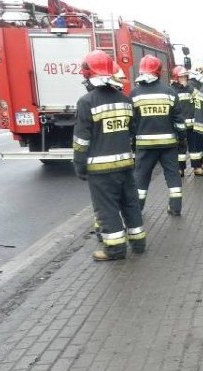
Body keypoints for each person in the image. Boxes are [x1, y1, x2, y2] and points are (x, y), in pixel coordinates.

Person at [72, 50, 145, 261]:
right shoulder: (125, 100)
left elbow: (81, 141)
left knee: (108, 208)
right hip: (125, 163)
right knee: (130, 203)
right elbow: (132, 130)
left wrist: (79, 166)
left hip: (100, 169)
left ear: (88, 75)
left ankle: (114, 250)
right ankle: (138, 243)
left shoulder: (86, 102)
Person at [131, 55, 186, 216]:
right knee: (173, 176)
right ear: (159, 72)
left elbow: (132, 122)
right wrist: (182, 139)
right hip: (168, 145)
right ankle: (175, 207)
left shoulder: (135, 94)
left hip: (145, 146)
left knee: (141, 177)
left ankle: (137, 209)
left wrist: (133, 140)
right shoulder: (169, 93)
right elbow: (179, 121)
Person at [171, 65, 203, 176]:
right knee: (180, 149)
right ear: (176, 78)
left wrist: (189, 88)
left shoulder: (191, 88)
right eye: (181, 77)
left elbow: (200, 97)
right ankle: (180, 169)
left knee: (195, 147)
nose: (184, 79)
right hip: (179, 125)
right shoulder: (172, 90)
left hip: (192, 124)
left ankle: (197, 167)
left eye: (185, 77)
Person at [186, 70, 203, 175]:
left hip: (189, 121)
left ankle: (199, 165)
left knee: (196, 146)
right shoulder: (193, 86)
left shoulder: (191, 87)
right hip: (190, 122)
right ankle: (197, 166)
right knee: (195, 146)